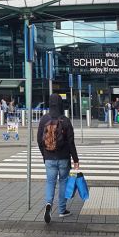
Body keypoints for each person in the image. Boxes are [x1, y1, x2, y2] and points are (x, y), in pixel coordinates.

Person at [37, 93, 79, 223]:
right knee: (63, 182)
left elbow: (39, 140)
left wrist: (44, 155)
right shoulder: (65, 120)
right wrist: (75, 160)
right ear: (61, 104)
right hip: (63, 158)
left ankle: (48, 205)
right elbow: (71, 142)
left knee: (50, 182)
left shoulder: (44, 119)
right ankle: (62, 209)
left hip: (49, 157)